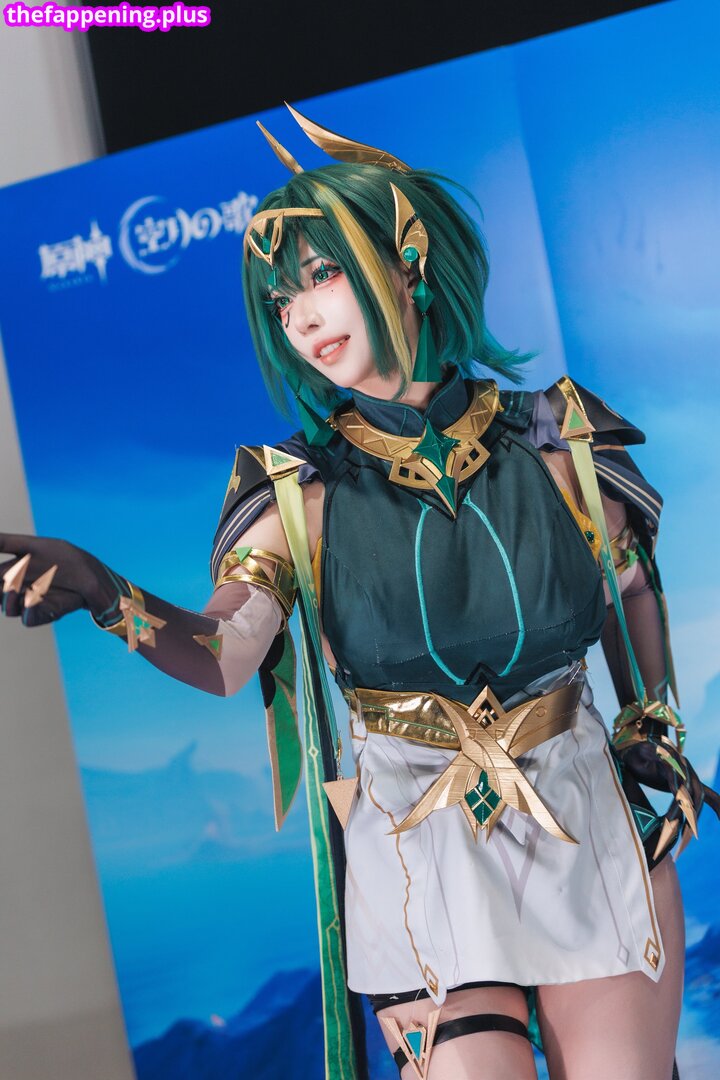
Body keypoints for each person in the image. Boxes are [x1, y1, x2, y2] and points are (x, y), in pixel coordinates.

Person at [1, 106, 717, 1080]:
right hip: (414, 844)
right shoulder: (294, 494)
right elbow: (227, 653)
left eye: (320, 276)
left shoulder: (563, 440)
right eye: (278, 301)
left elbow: (631, 591)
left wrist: (651, 727)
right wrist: (100, 588)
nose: (298, 318)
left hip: (587, 813)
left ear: (409, 261)